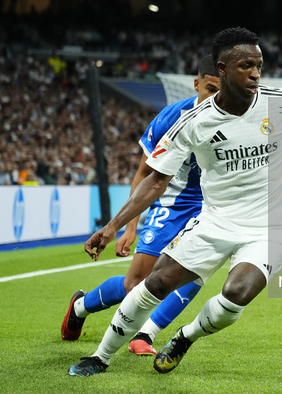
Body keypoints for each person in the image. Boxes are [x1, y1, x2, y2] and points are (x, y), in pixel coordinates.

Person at [68, 27, 282, 377]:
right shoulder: (192, 123)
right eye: (245, 65)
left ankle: (185, 337)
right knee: (154, 284)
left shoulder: (280, 104)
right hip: (215, 221)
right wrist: (113, 226)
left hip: (270, 226)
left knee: (237, 292)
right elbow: (155, 180)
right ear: (221, 69)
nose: (255, 73)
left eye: (259, 65)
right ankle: (99, 357)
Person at [61, 55, 220, 357]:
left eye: (221, 92)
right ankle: (81, 306)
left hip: (210, 208)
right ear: (197, 84)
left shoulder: (236, 116)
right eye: (210, 90)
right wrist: (130, 226)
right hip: (171, 204)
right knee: (136, 284)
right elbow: (145, 173)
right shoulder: (173, 117)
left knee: (196, 272)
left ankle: (146, 334)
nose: (215, 99)